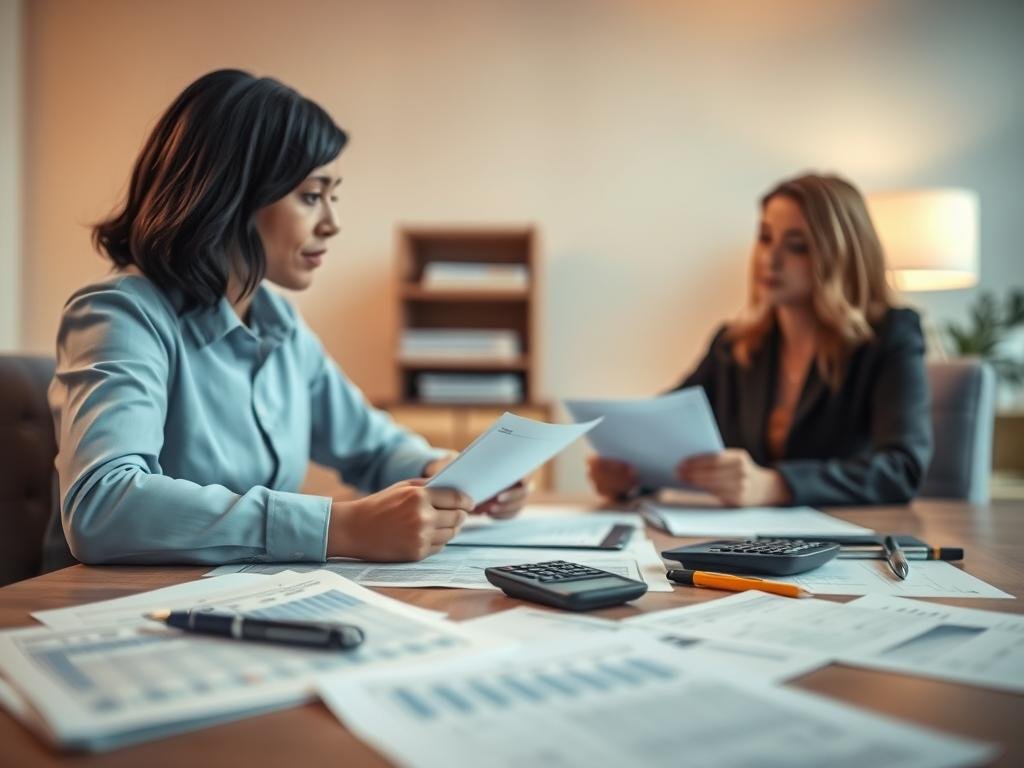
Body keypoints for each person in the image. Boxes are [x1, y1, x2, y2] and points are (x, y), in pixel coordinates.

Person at [45, 69, 526, 567]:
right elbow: (102, 505)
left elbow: (371, 446)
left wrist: (447, 472)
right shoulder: (120, 313)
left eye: (333, 196)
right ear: (230, 193)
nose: (332, 223)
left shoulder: (279, 325)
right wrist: (339, 526)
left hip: (244, 598)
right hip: (120, 609)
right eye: (312, 195)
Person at [588, 173, 933, 507]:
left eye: (797, 246)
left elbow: (901, 469)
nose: (771, 259)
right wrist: (630, 474)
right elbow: (664, 430)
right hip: (751, 543)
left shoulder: (891, 336)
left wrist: (776, 485)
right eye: (766, 237)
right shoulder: (734, 346)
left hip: (855, 542)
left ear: (840, 257)